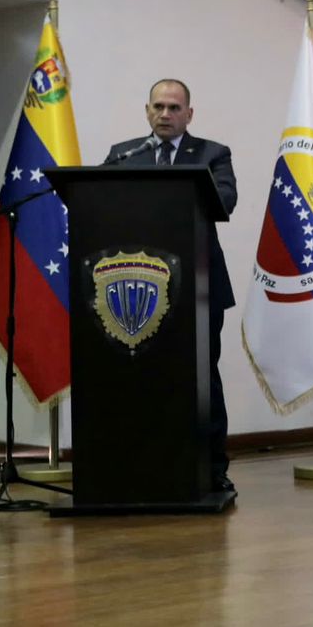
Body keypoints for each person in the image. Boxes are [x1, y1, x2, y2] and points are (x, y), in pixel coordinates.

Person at [104, 78, 238, 493]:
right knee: (140, 377)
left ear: (189, 114)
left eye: (174, 108)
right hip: (136, 287)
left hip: (199, 286)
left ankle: (212, 469)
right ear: (147, 111)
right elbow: (99, 202)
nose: (165, 114)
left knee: (203, 378)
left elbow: (225, 201)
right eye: (158, 107)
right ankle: (139, 468)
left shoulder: (212, 154)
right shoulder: (124, 155)